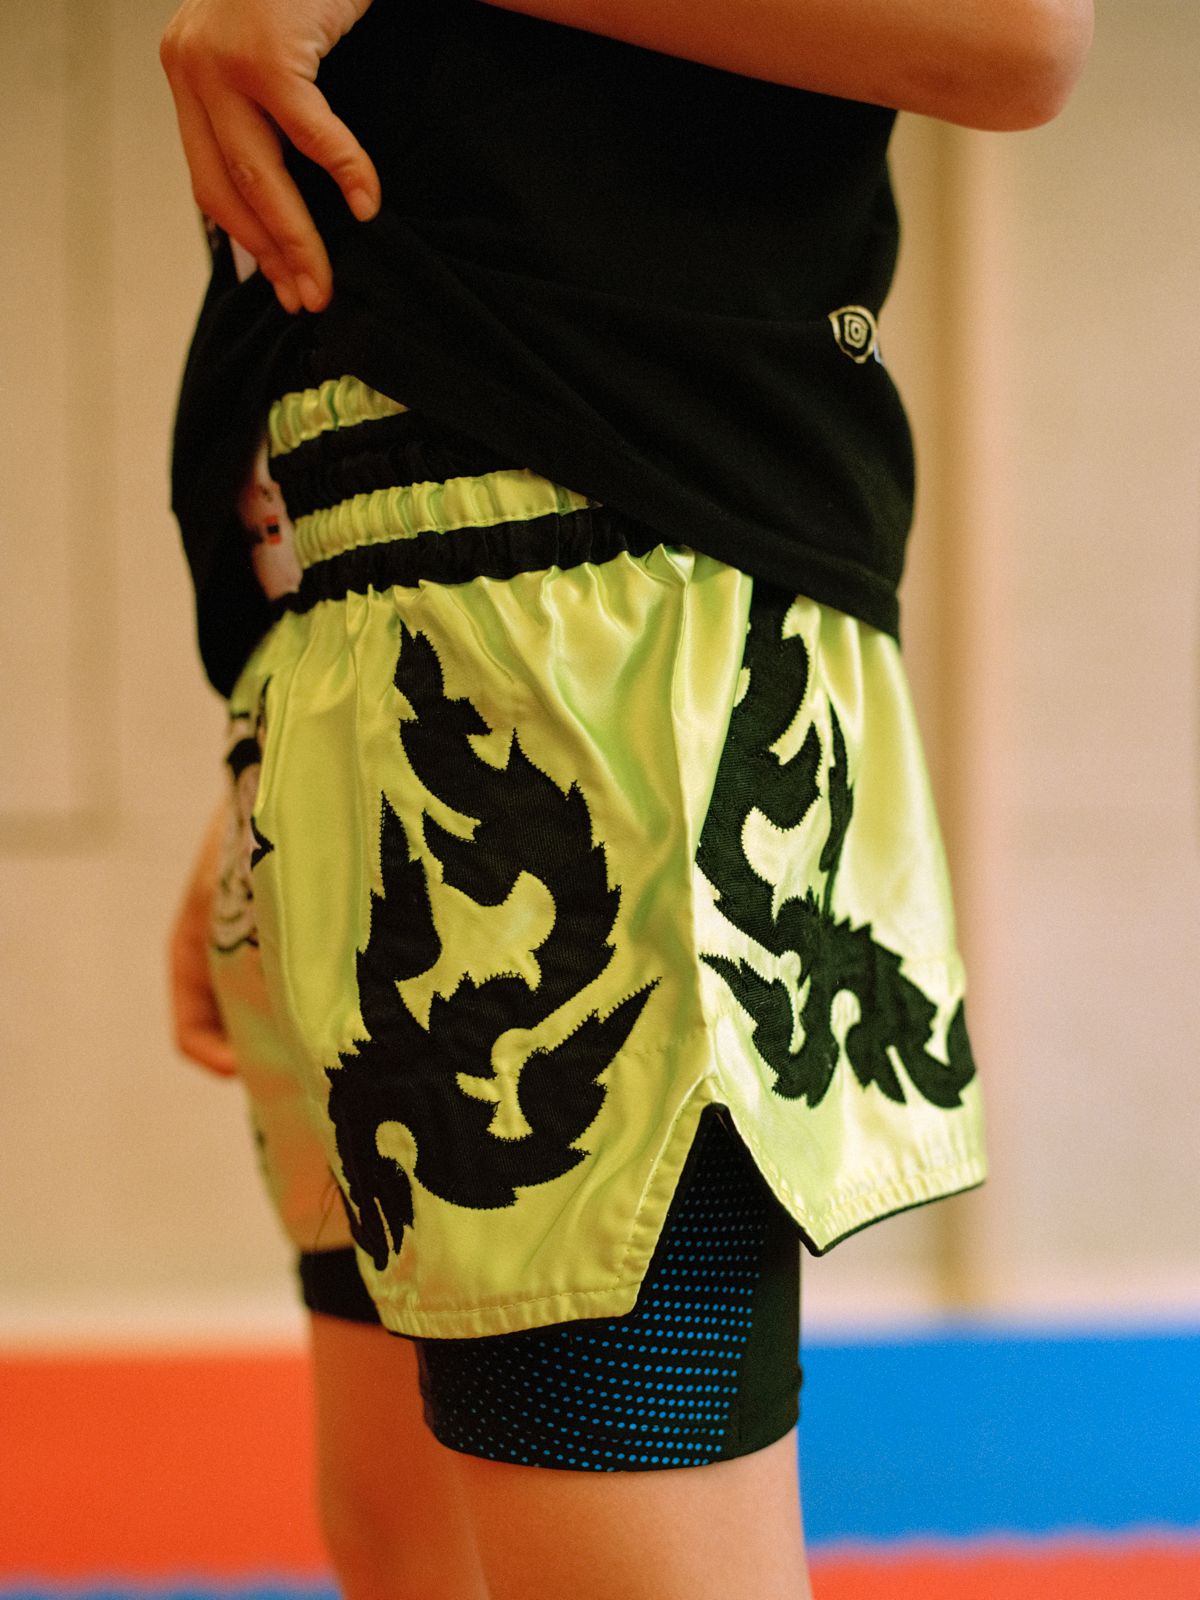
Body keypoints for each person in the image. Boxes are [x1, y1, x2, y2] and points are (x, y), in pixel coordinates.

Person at [162, 3, 1093, 1598]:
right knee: (408, 1548)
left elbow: (1018, 30)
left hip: (594, 636)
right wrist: (266, 718)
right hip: (342, 652)